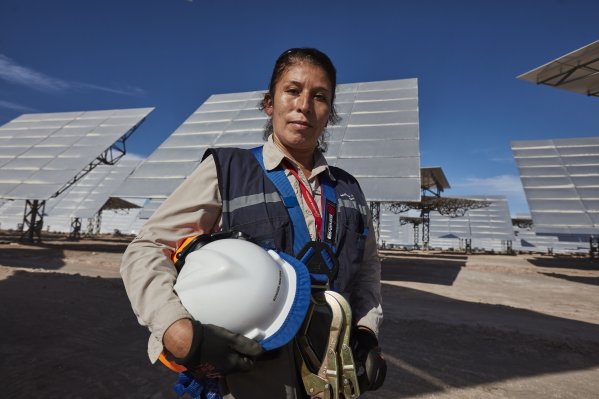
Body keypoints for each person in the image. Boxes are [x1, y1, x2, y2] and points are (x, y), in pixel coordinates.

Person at [120, 47, 384, 398]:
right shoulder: (228, 171)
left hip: (332, 379)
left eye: (319, 97)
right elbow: (147, 248)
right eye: (292, 91)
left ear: (329, 112)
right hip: (248, 380)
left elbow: (366, 269)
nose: (304, 105)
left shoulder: (349, 189)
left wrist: (366, 332)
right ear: (269, 103)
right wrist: (177, 330)